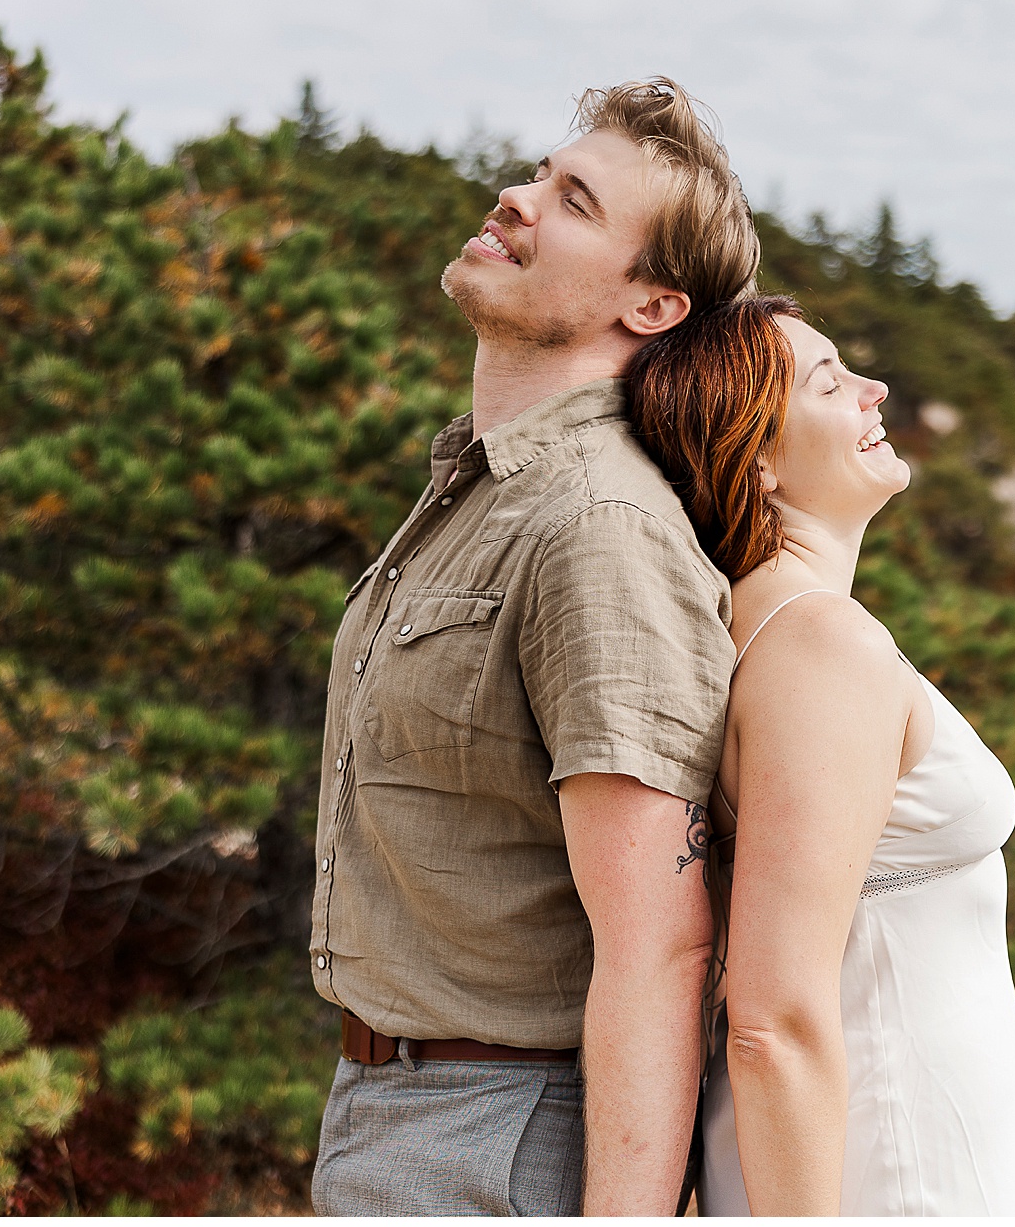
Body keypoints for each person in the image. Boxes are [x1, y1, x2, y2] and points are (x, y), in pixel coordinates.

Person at [308, 78, 758, 1216]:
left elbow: (661, 946)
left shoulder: (597, 528)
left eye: (573, 200)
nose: (514, 198)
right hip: (400, 1112)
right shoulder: (479, 491)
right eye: (534, 175)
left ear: (652, 307)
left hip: (499, 1145)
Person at [623, 295, 1015, 1215]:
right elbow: (772, 1018)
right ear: (758, 457)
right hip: (887, 1179)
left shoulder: (769, 630)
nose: (873, 389)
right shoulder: (817, 646)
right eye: (828, 380)